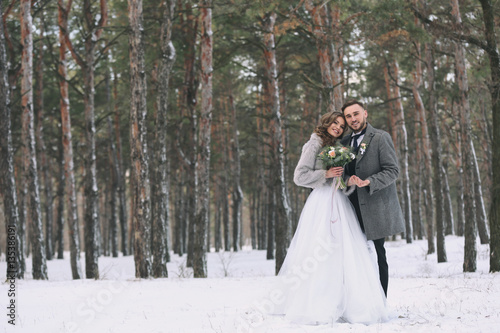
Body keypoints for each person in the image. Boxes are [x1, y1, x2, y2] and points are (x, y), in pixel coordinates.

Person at [268, 111, 391, 325]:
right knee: (319, 249)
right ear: (326, 123)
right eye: (335, 123)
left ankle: (345, 300)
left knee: (343, 249)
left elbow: (339, 174)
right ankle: (317, 301)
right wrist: (324, 175)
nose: (338, 127)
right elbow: (299, 176)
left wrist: (346, 178)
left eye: (342, 125)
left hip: (339, 200)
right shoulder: (314, 143)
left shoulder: (338, 145)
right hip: (321, 202)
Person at [340, 99, 405, 296]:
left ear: (365, 113)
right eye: (348, 116)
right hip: (350, 208)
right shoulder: (342, 143)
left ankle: (381, 301)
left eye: (356, 114)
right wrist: (346, 179)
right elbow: (339, 173)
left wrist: (370, 182)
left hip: (374, 206)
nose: (353, 119)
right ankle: (359, 299)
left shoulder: (380, 137)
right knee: (354, 255)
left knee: (379, 255)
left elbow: (393, 170)